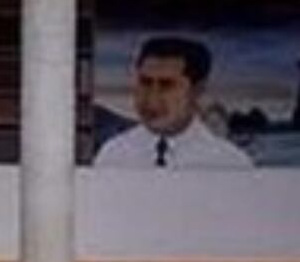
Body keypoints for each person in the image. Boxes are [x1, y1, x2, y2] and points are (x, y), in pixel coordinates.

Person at [94, 36, 254, 170]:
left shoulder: (230, 164)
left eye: (166, 85)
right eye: (145, 82)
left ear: (197, 90)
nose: (152, 97)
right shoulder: (113, 154)